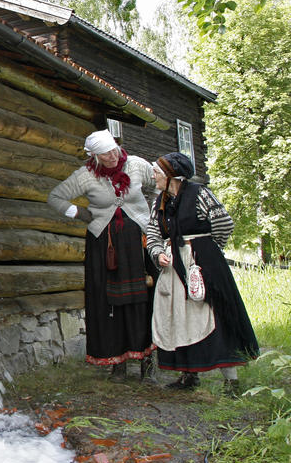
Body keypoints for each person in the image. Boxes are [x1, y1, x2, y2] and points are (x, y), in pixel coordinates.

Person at [146, 152, 259, 395]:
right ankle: (189, 375)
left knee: (213, 315)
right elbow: (153, 233)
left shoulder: (200, 193)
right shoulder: (160, 201)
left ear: (170, 175)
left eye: (157, 172)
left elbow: (224, 223)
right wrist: (157, 253)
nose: (153, 176)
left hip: (203, 263)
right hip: (174, 266)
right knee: (179, 315)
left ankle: (232, 382)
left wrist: (208, 250)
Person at [49, 130, 157, 382]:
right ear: (94, 156)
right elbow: (55, 197)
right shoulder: (85, 175)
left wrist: (160, 215)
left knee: (143, 297)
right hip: (104, 246)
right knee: (109, 302)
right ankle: (116, 360)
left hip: (138, 242)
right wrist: (80, 214)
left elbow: (162, 182)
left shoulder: (136, 165)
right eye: (103, 154)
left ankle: (147, 362)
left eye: (112, 150)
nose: (110, 157)